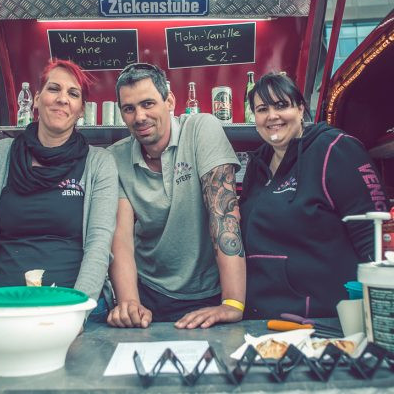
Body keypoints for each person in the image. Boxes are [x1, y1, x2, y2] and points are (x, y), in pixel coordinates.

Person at [0, 59, 118, 303]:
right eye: (54, 89)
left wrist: (77, 312)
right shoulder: (0, 155)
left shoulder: (99, 163)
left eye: (73, 94)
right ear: (37, 99)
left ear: (81, 109)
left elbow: (98, 247)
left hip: (71, 308)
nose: (62, 98)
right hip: (3, 305)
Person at [107, 63, 246, 329]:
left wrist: (232, 303)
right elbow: (121, 239)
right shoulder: (115, 157)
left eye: (148, 103)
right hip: (148, 293)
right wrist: (129, 304)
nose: (139, 117)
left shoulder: (201, 129)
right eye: (129, 108)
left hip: (210, 293)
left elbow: (224, 215)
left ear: (169, 101)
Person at [240, 72, 389, 319]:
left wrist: (379, 312)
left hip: (322, 320)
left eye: (281, 105)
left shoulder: (335, 149)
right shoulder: (257, 164)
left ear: (300, 108)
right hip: (261, 318)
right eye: (262, 109)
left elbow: (373, 236)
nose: (272, 116)